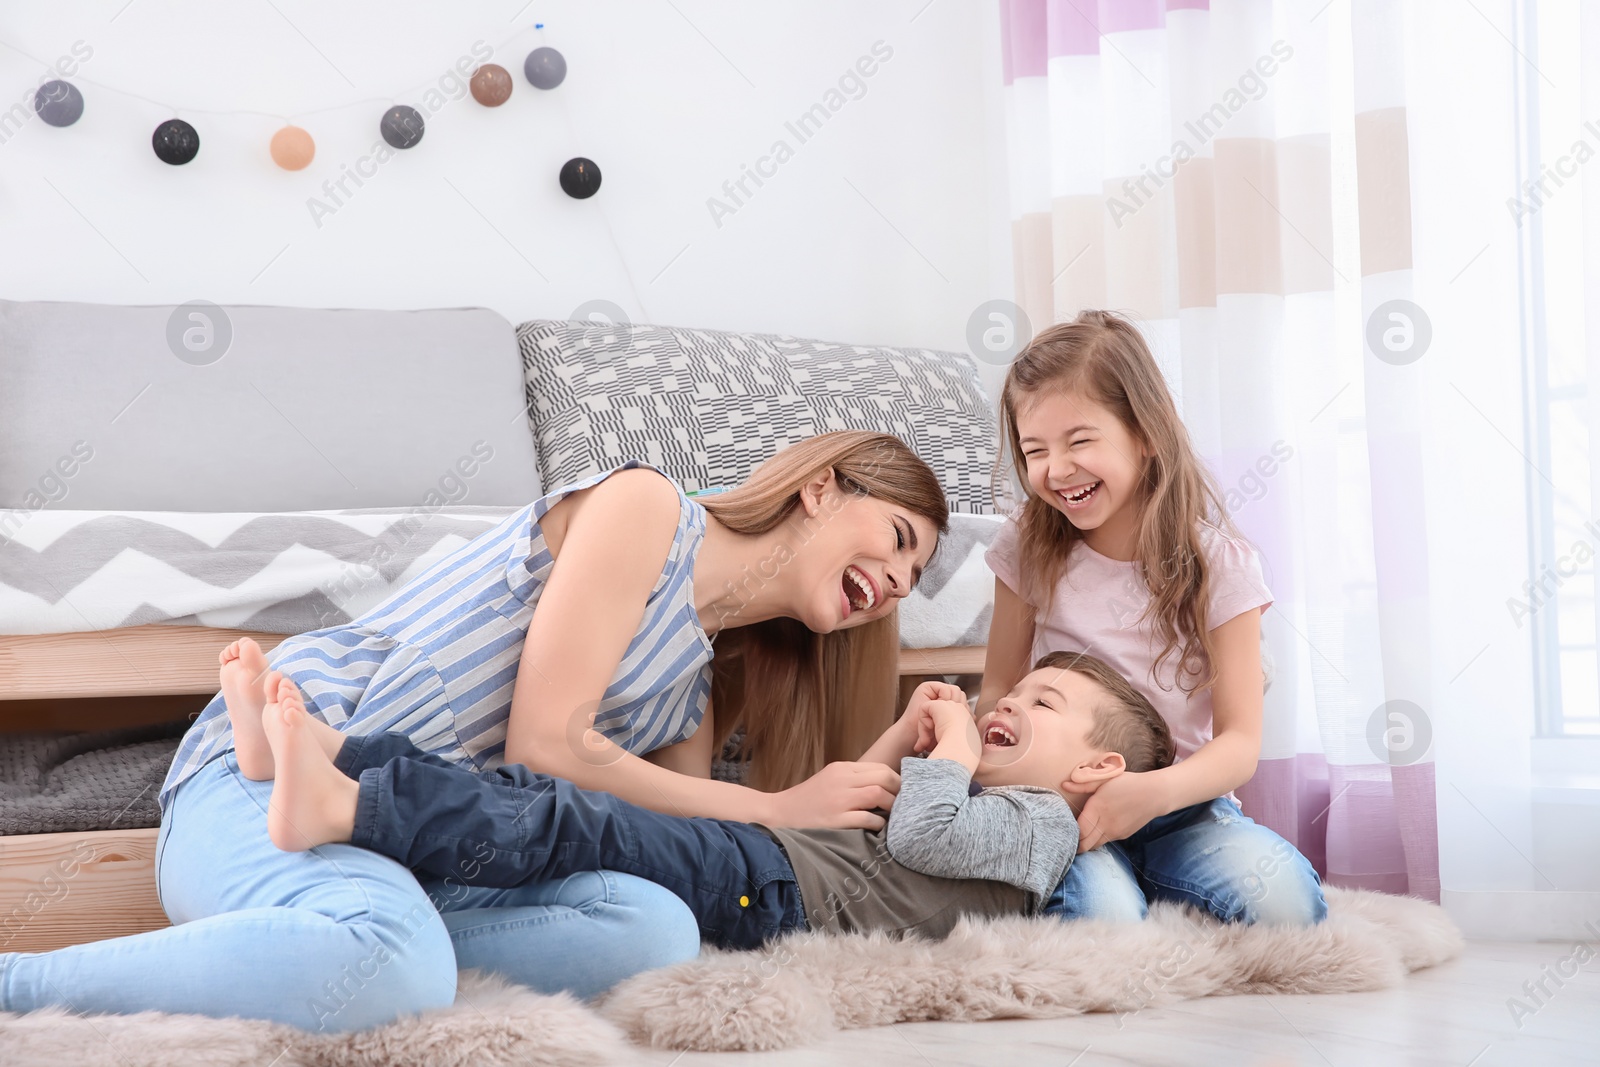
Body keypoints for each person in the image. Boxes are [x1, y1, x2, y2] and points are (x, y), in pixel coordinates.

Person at [0, 431, 947, 1031]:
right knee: (390, 963)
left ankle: (347, 934)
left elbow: (672, 834)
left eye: (913, 582)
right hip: (274, 775)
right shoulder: (648, 508)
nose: (897, 585)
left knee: (656, 925)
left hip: (428, 841)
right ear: (822, 487)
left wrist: (871, 761)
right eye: (899, 539)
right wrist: (774, 802)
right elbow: (547, 742)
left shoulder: (697, 680)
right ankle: (17, 986)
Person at [236, 650, 1174, 947]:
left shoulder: (1045, 829)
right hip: (763, 863)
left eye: (1040, 705)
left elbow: (924, 837)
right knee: (534, 792)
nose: (1006, 703)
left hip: (766, 891)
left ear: (1093, 772)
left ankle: (346, 809)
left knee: (571, 822)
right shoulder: (973, 796)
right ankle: (332, 754)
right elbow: (876, 797)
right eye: (1009, 696)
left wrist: (960, 746)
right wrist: (911, 737)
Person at [979, 310, 1327, 927]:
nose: (1056, 470)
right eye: (1035, 451)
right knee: (1103, 924)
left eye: (1080, 441)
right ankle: (1126, 888)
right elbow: (997, 690)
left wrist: (1152, 794)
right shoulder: (1027, 547)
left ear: (1145, 434)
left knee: (1288, 908)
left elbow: (1240, 743)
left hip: (1180, 803)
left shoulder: (1218, 563)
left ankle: (1155, 874)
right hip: (1058, 801)